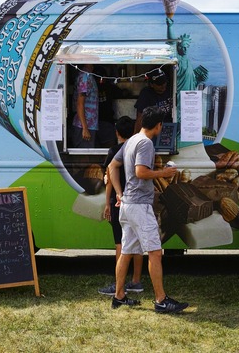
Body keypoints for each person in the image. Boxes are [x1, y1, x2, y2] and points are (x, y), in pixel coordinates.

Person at [108, 106, 189, 313]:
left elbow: (112, 167)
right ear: (159, 125)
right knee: (154, 252)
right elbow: (141, 172)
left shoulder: (131, 140)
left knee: (126, 252)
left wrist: (119, 193)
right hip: (139, 207)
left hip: (127, 205)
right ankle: (161, 300)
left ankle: (119, 296)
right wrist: (164, 172)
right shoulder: (145, 143)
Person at [97, 116, 144, 296]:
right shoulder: (137, 149)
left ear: (116, 133)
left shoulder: (114, 151)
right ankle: (136, 281)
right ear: (133, 131)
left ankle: (119, 284)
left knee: (120, 242)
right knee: (137, 241)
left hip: (119, 201)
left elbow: (109, 178)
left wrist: (107, 202)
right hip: (137, 200)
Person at [70, 64, 98, 148]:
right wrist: (85, 128)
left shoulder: (88, 75)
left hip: (90, 124)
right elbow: (80, 103)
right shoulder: (85, 77)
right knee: (85, 158)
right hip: (85, 125)